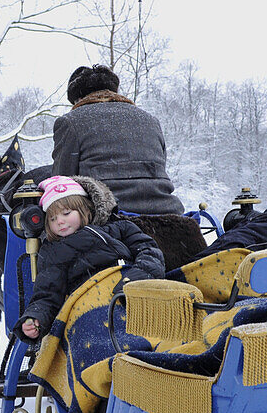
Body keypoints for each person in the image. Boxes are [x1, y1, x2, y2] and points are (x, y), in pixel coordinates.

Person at [19, 175, 165, 341]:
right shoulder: (53, 252)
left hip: (132, 291)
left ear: (84, 210)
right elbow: (48, 294)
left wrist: (138, 276)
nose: (60, 221)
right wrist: (36, 318)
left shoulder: (118, 228)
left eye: (66, 213)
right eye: (52, 218)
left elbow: (149, 251)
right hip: (91, 307)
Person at [52, 65, 184, 215]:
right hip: (164, 209)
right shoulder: (151, 120)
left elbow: (61, 181)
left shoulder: (71, 121)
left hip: (107, 212)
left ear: (78, 98)